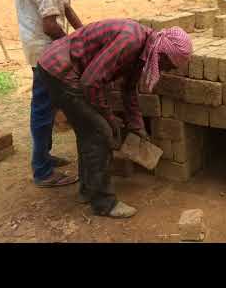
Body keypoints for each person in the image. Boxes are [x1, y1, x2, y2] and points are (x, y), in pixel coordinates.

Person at [36, 19, 193, 218]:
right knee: (100, 133)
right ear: (161, 53)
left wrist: (138, 127)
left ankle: (88, 191)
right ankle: (104, 203)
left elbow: (128, 90)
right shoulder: (131, 41)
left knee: (89, 132)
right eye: (167, 65)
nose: (166, 70)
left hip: (67, 70)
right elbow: (90, 82)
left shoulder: (143, 49)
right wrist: (109, 117)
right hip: (60, 71)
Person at [14, 0, 83, 187]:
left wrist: (85, 35)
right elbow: (50, 25)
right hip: (45, 49)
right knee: (43, 108)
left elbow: (65, 7)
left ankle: (44, 157)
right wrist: (76, 47)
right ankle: (42, 171)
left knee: (49, 105)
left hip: (36, 46)